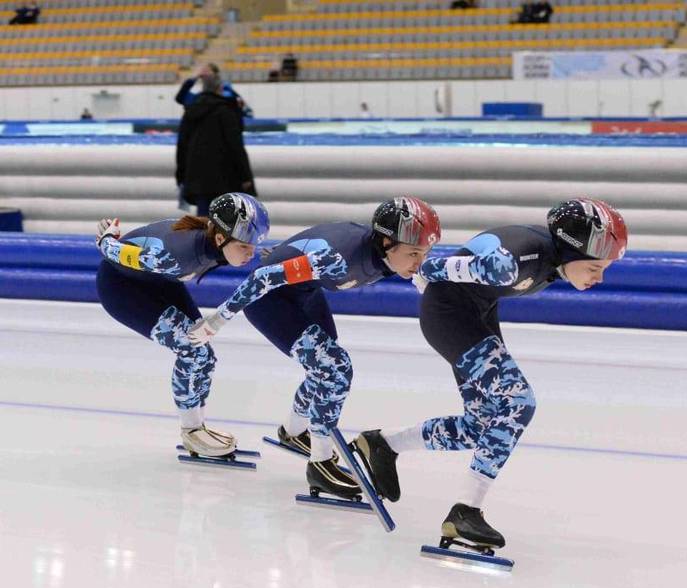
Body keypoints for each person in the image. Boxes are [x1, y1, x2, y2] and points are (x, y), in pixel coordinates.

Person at [352, 198, 628, 553]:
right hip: (451, 316)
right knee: (517, 401)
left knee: (481, 426)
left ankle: (384, 443)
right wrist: (423, 274)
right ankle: (466, 511)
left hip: (473, 314)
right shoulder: (514, 262)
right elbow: (439, 265)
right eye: (595, 267)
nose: (599, 277)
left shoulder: (546, 259)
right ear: (573, 250)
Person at [187, 197, 442, 501]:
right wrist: (217, 320)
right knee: (334, 368)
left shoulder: (388, 253)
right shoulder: (337, 258)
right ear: (387, 242)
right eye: (414, 253)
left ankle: (293, 431)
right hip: (269, 301)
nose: (419, 261)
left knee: (325, 369)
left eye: (425, 253)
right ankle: (320, 464)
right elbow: (261, 278)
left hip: (306, 293)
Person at [95, 193, 269, 457]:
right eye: (245, 246)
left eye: (254, 245)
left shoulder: (213, 239)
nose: (250, 253)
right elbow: (112, 252)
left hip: (160, 281)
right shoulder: (175, 254)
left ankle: (198, 425)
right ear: (221, 239)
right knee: (192, 350)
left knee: (204, 352)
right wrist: (108, 237)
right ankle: (190, 431)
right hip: (122, 287)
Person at [176, 71, 257, 216]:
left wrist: (181, 175)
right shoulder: (226, 110)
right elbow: (236, 146)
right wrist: (245, 177)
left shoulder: (191, 111)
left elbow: (182, 145)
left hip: (197, 177)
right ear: (220, 88)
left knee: (202, 222)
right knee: (225, 222)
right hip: (225, 177)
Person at [175, 63, 253, 119]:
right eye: (203, 71)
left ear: (216, 75)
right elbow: (180, 97)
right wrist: (194, 78)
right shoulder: (199, 98)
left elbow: (244, 111)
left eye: (207, 71)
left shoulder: (227, 94)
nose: (203, 73)